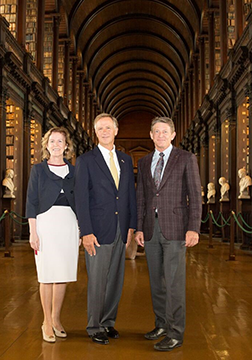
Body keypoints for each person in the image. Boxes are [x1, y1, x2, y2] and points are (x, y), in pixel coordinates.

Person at [135, 117, 202, 352]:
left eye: (165, 131)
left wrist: (194, 227)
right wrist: (140, 227)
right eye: (156, 132)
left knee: (174, 283)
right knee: (156, 282)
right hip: (151, 230)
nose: (160, 135)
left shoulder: (186, 158)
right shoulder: (143, 163)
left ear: (173, 135)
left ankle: (176, 333)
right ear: (151, 135)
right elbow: (141, 196)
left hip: (176, 229)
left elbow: (195, 195)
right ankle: (161, 324)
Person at [75, 113, 137, 345]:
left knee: (115, 280)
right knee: (98, 279)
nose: (104, 131)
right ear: (95, 131)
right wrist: (86, 232)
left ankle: (108, 322)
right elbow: (81, 199)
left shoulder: (125, 160)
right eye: (100, 128)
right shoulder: (86, 160)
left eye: (108, 127)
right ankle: (94, 326)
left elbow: (129, 194)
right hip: (97, 231)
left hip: (121, 229)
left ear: (116, 130)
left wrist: (131, 225)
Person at [26, 127, 78, 343]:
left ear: (67, 146)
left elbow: (82, 201)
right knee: (47, 275)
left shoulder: (75, 171)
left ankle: (56, 319)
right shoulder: (38, 170)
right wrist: (33, 232)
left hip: (69, 224)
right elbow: (31, 201)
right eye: (52, 141)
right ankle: (46, 321)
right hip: (45, 224)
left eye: (60, 141)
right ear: (46, 145)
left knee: (62, 274)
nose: (56, 145)